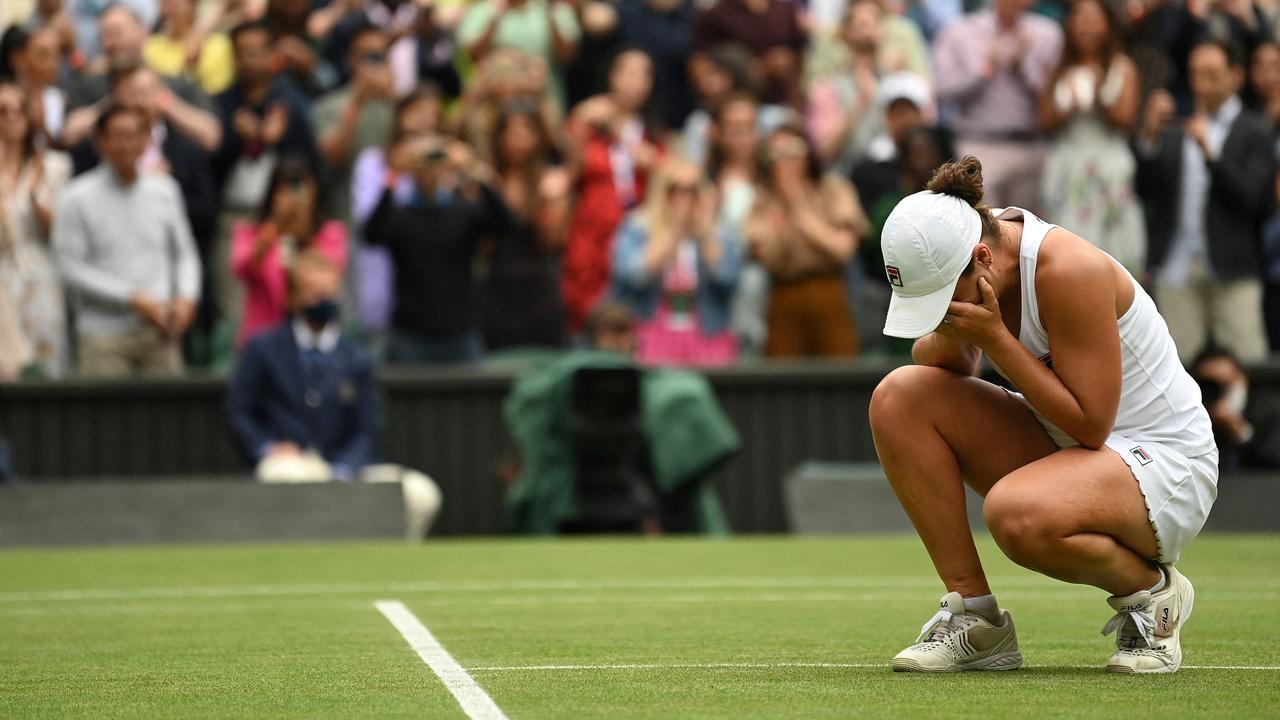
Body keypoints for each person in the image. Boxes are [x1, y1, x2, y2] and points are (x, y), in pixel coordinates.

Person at [869, 155, 1217, 674]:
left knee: (1015, 514)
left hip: (1168, 464)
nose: (940, 309)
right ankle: (976, 619)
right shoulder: (983, 273)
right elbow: (946, 361)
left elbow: (1090, 423)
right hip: (1074, 449)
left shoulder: (1068, 269)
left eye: (944, 295)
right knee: (899, 396)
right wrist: (956, 326)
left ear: (983, 256)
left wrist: (996, 341)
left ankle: (1153, 595)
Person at [225, 250, 442, 538]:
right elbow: (238, 412)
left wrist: (344, 468)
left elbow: (367, 429)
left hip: (346, 469)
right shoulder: (263, 349)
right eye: (314, 293)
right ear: (292, 298)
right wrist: (267, 446)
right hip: (292, 465)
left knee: (421, 494)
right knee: (284, 475)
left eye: (329, 292)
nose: (323, 300)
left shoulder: (356, 358)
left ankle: (385, 565)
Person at [1134, 39, 1274, 363]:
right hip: (1177, 264)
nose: (1201, 84)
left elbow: (1253, 199)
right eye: (1195, 74)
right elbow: (1147, 191)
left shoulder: (1255, 129)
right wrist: (1149, 139)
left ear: (1236, 76)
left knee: (1249, 365)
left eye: (1212, 74)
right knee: (1175, 369)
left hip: (1233, 266)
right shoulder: (1176, 126)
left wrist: (1211, 156)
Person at [53, 104, 202, 377]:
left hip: (160, 331)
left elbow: (185, 253)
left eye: (134, 135)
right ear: (100, 141)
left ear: (147, 140)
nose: (126, 144)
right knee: (106, 420)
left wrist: (186, 299)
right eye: (117, 136)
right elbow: (70, 268)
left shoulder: (165, 190)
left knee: (167, 418)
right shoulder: (75, 197)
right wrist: (133, 299)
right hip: (103, 338)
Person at [365, 134, 513, 363]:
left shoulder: (463, 211)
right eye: (423, 165)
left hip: (460, 335)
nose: (430, 171)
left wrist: (476, 169)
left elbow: (505, 224)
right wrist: (393, 174)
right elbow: (371, 234)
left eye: (436, 163)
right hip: (409, 336)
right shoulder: (400, 216)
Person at [1038, 0, 1147, 275]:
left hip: (1107, 160)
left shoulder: (1122, 68)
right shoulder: (1060, 68)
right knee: (1069, 236)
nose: (1085, 26)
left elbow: (1127, 120)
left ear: (1108, 25)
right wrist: (1069, 109)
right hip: (1069, 160)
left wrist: (1099, 93)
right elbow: (1044, 120)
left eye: (1093, 19)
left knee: (1112, 241)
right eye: (1079, 18)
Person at [561, 47, 662, 332]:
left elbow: (668, 174)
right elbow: (570, 170)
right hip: (592, 237)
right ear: (610, 77)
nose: (633, 81)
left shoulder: (653, 132)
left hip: (637, 238)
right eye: (626, 72)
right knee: (588, 320)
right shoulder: (588, 124)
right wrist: (579, 120)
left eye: (642, 74)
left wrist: (625, 136)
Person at [745, 124, 867, 358]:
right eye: (777, 155)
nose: (786, 162)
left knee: (839, 371)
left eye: (793, 152)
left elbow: (843, 249)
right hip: (783, 295)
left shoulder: (833, 189)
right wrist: (784, 207)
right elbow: (768, 257)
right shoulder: (762, 201)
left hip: (830, 291)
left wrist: (798, 209)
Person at [933, 0, 1062, 211]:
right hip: (979, 143)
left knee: (1028, 230)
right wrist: (984, 70)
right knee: (984, 224)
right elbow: (942, 88)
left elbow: (1056, 95)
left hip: (1031, 145)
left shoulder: (1047, 33)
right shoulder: (960, 31)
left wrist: (1024, 66)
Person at [612, 157, 741, 367]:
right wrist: (673, 231)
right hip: (651, 332)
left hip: (706, 333)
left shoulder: (720, 233)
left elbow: (727, 280)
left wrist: (704, 233)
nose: (685, 198)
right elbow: (631, 277)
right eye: (676, 190)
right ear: (662, 192)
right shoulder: (638, 227)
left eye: (692, 190)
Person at [61, 4, 222, 153]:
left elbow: (211, 137)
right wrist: (115, 100)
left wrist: (163, 100)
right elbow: (68, 136)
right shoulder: (88, 85)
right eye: (104, 36)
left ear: (144, 32)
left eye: (117, 33)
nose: (110, 42)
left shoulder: (176, 83)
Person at [231, 156, 347, 349]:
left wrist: (304, 228)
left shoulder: (330, 234)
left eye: (300, 187)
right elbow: (244, 269)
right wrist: (276, 226)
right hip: (263, 340)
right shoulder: (251, 233)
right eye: (285, 188)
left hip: (314, 341)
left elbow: (325, 276)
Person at [482, 100, 570, 351]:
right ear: (499, 137)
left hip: (540, 288)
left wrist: (550, 203)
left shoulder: (549, 180)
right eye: (511, 131)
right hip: (497, 288)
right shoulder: (487, 183)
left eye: (526, 130)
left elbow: (553, 242)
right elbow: (484, 245)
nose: (519, 138)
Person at [0, 80, 72, 378]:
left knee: (47, 366)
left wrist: (33, 194)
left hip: (42, 273)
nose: (12, 116)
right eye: (3, 110)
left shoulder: (56, 166)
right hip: (2, 277)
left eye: (20, 109)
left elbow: (61, 234)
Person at [312, 22, 397, 225]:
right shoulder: (328, 106)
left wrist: (394, 99)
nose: (375, 64)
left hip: (391, 218)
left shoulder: (398, 104)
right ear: (351, 60)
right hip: (344, 215)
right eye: (369, 56)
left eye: (380, 56)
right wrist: (357, 102)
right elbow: (331, 158)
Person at [456, 0, 581, 109]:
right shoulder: (484, 10)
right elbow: (472, 56)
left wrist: (551, 16)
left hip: (545, 99)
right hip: (494, 101)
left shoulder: (555, 9)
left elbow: (568, 57)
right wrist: (495, 17)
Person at [692, 0, 806, 109]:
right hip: (736, 105)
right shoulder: (716, 15)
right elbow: (700, 63)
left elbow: (800, 53)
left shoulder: (784, 10)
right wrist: (760, 68)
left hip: (783, 100)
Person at [1191, 345, 1280, 470]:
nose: (1220, 394)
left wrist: (1240, 430)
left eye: (1226, 384)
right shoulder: (1188, 419)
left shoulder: (1269, 410)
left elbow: (1273, 461)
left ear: (1242, 379)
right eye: (1210, 387)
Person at [143, 0, 235, 96]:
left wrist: (191, 66)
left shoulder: (218, 44)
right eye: (163, 4)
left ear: (192, 5)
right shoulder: (151, 45)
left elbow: (217, 92)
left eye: (174, 5)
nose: (167, 11)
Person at [0, 25, 67, 147]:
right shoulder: (3, 98)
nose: (54, 64)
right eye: (44, 55)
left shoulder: (56, 98)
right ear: (19, 58)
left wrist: (41, 125)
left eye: (57, 56)